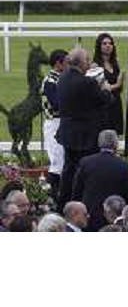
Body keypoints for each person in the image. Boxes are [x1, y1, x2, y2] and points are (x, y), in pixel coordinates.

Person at [56, 48, 113, 210]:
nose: (89, 63)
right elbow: (104, 100)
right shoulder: (87, 82)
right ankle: (83, 203)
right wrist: (106, 89)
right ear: (80, 63)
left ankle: (63, 203)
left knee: (68, 169)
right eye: (87, 60)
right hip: (85, 134)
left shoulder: (63, 78)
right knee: (86, 169)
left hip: (68, 132)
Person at [72, 129, 128, 231]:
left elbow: (77, 191)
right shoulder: (122, 165)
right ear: (116, 144)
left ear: (99, 143)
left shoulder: (86, 162)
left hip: (90, 216)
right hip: (114, 216)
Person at [40, 48, 68, 202]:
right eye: (67, 62)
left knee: (63, 159)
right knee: (57, 161)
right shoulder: (50, 82)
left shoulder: (61, 79)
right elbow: (56, 104)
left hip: (61, 122)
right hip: (53, 123)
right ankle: (53, 197)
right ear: (58, 63)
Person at [92, 33, 125, 136]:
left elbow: (119, 89)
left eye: (110, 43)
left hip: (115, 104)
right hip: (103, 107)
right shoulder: (95, 66)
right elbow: (99, 89)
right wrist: (118, 84)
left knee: (114, 137)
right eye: (104, 43)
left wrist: (118, 85)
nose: (108, 46)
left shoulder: (115, 64)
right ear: (99, 46)